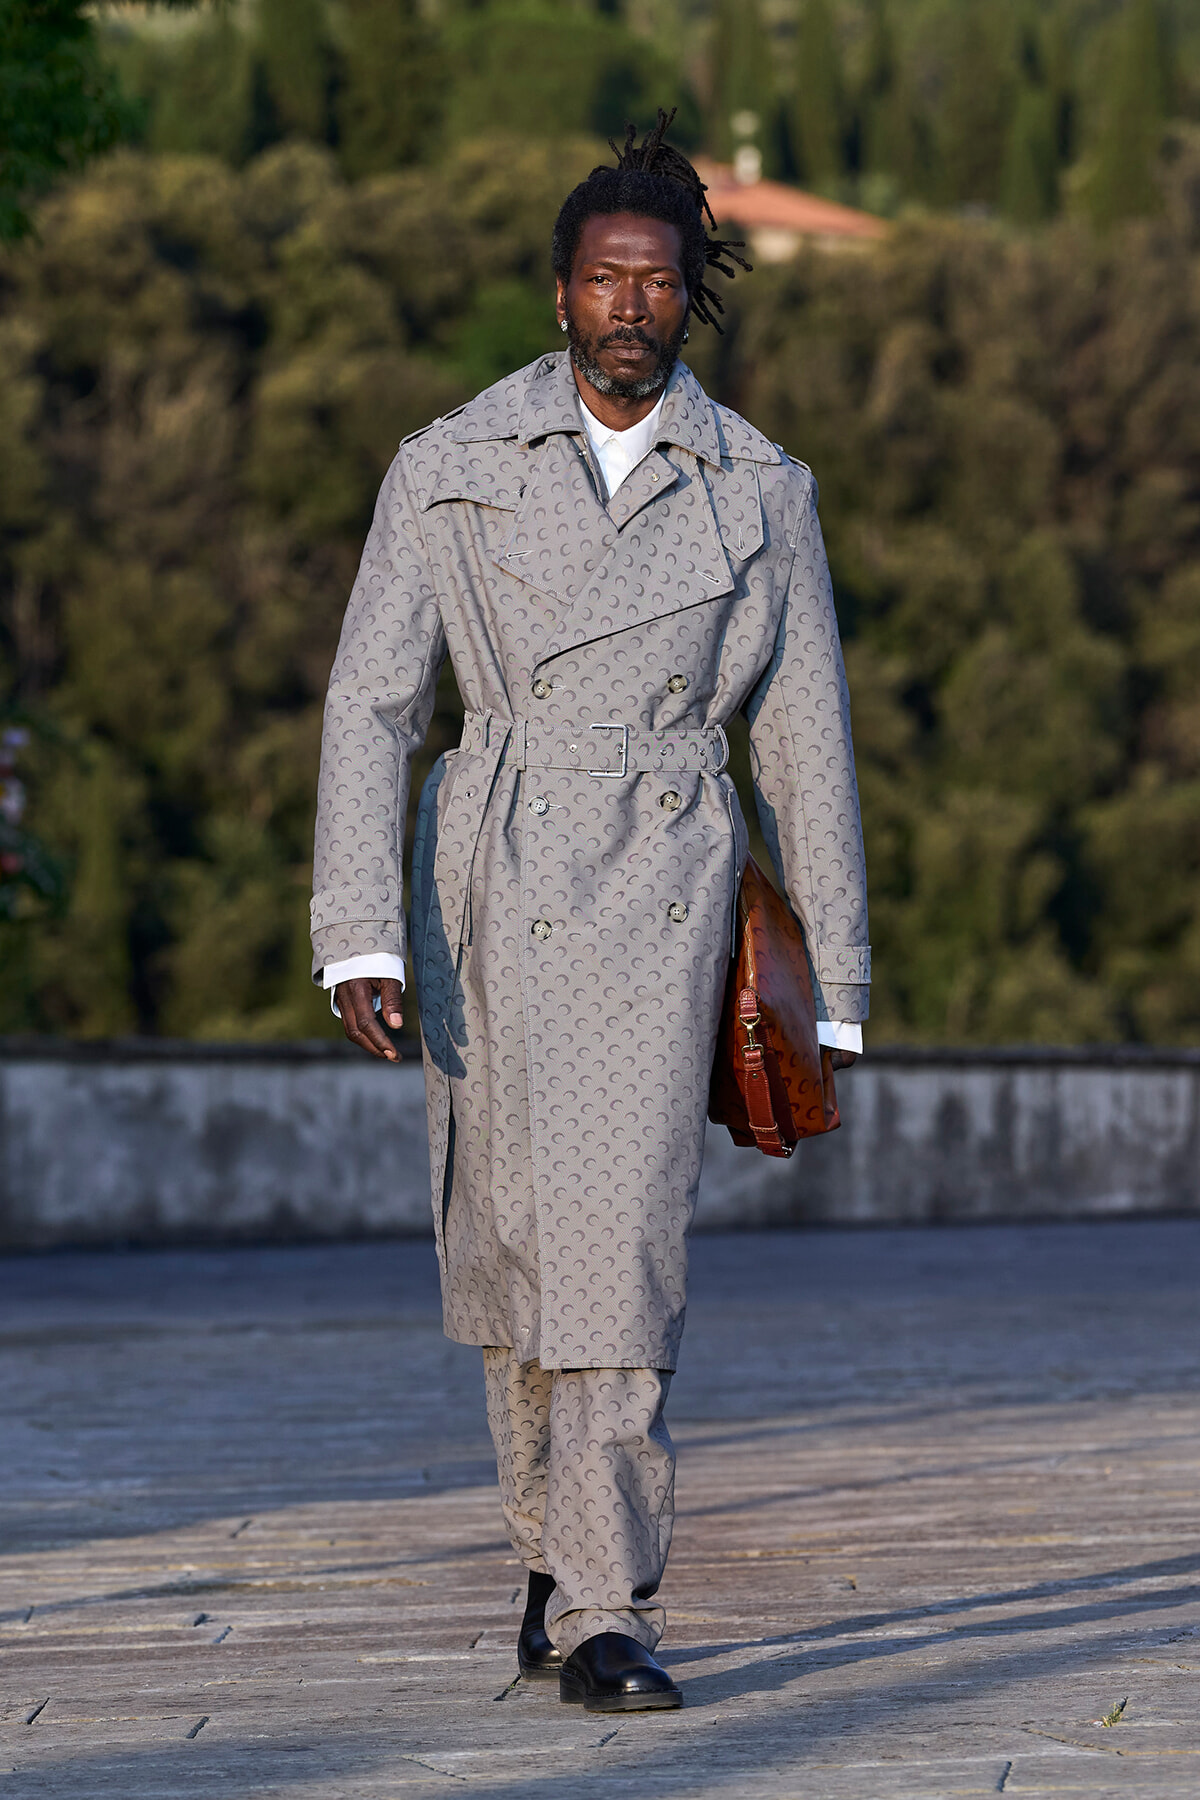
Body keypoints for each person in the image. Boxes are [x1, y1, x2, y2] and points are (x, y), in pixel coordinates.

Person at [311, 112, 869, 1713]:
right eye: (605, 279)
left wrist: (832, 969)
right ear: (560, 294)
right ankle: (552, 1542)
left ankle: (611, 1604)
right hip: (482, 877)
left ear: (691, 299)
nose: (631, 306)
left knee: (620, 1247)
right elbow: (370, 701)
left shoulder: (763, 492)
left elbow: (805, 740)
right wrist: (357, 923)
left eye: (659, 282)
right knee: (507, 1256)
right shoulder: (449, 466)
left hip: (661, 874)